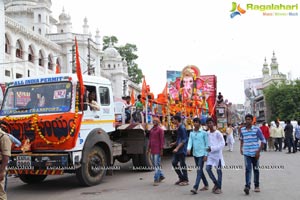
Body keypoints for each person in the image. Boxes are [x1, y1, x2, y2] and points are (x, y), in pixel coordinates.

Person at [240, 114, 266, 195]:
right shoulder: (242, 130)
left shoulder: (256, 129)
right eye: (246, 119)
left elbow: (263, 140)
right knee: (247, 170)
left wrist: (258, 151)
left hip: (255, 153)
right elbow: (242, 139)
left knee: (256, 169)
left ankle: (256, 186)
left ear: (252, 120)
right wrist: (241, 148)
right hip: (246, 153)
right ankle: (247, 186)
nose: (248, 121)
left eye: (249, 119)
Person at [187, 117, 209, 194]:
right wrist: (188, 148)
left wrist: (206, 155)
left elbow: (207, 144)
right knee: (200, 170)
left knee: (199, 170)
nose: (195, 123)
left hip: (202, 154)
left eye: (197, 122)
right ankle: (206, 184)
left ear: (199, 124)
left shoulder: (204, 133)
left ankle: (195, 187)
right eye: (194, 122)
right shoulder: (192, 133)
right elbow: (190, 141)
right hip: (195, 154)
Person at [205, 117, 225, 194]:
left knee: (218, 171)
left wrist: (213, 148)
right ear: (206, 124)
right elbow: (206, 144)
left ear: (213, 123)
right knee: (207, 169)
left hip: (217, 155)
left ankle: (219, 188)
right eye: (208, 123)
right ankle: (216, 183)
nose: (209, 124)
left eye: (210, 123)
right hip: (210, 155)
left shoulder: (218, 133)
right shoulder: (207, 134)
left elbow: (222, 144)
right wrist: (206, 154)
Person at [170, 115, 189, 186]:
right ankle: (181, 178)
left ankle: (186, 180)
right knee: (174, 163)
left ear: (177, 120)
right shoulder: (178, 127)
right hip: (178, 149)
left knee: (182, 164)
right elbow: (179, 138)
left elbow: (184, 140)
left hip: (182, 149)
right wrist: (174, 143)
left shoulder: (182, 128)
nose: (172, 121)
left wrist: (177, 148)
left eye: (173, 120)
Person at [148, 117, 165, 186]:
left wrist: (161, 150)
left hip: (157, 150)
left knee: (156, 164)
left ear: (158, 122)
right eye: (153, 121)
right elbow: (150, 140)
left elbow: (162, 141)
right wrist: (148, 148)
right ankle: (161, 175)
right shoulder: (152, 130)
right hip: (152, 150)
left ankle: (156, 179)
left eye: (155, 121)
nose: (154, 122)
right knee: (155, 163)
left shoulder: (160, 130)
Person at [0, 128, 12, 200]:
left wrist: (2, 172)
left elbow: (6, 156)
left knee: (1, 193)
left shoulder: (3, 137)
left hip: (0, 166)